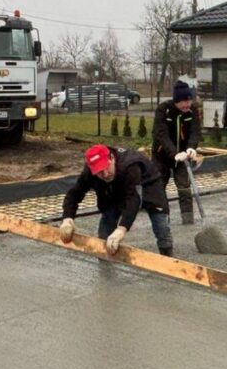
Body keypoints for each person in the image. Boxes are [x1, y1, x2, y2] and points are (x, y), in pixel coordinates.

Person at [59, 144, 174, 257]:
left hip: (148, 184)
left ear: (112, 158)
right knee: (106, 224)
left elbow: (133, 199)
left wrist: (121, 229)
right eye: (99, 172)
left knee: (161, 225)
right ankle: (105, 265)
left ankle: (167, 255)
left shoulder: (130, 165)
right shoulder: (90, 172)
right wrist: (67, 219)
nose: (105, 174)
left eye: (106, 168)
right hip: (117, 188)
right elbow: (74, 194)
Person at [153, 80, 203, 225]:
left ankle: (188, 219)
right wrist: (174, 153)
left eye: (189, 100)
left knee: (184, 185)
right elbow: (160, 134)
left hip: (183, 156)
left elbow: (195, 131)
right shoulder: (164, 110)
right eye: (184, 101)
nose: (188, 104)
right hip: (162, 155)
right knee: (158, 185)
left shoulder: (192, 110)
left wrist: (192, 147)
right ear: (176, 101)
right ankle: (162, 219)